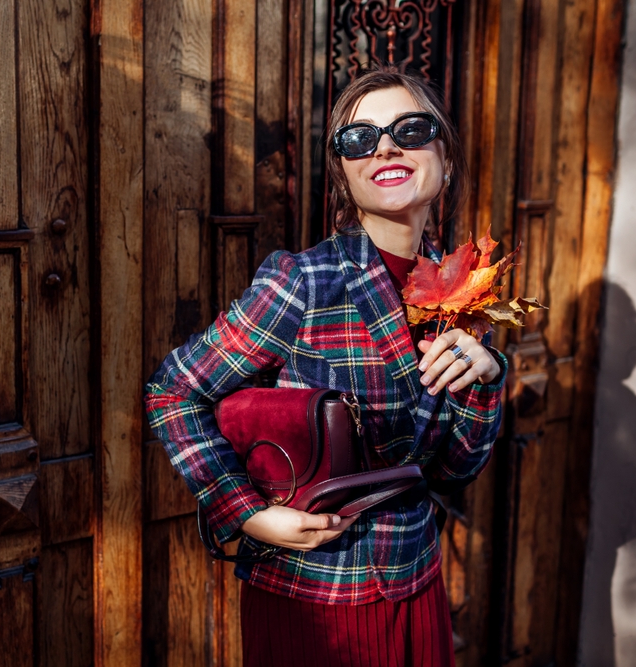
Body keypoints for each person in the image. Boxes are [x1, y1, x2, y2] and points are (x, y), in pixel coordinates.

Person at [144, 68, 506, 667]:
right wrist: (248, 514)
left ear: (444, 152)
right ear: (342, 172)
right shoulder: (305, 280)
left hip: (416, 578)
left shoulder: (460, 288)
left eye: (409, 129)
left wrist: (487, 380)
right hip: (314, 598)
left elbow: (453, 471)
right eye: (358, 139)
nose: (385, 147)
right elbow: (173, 391)